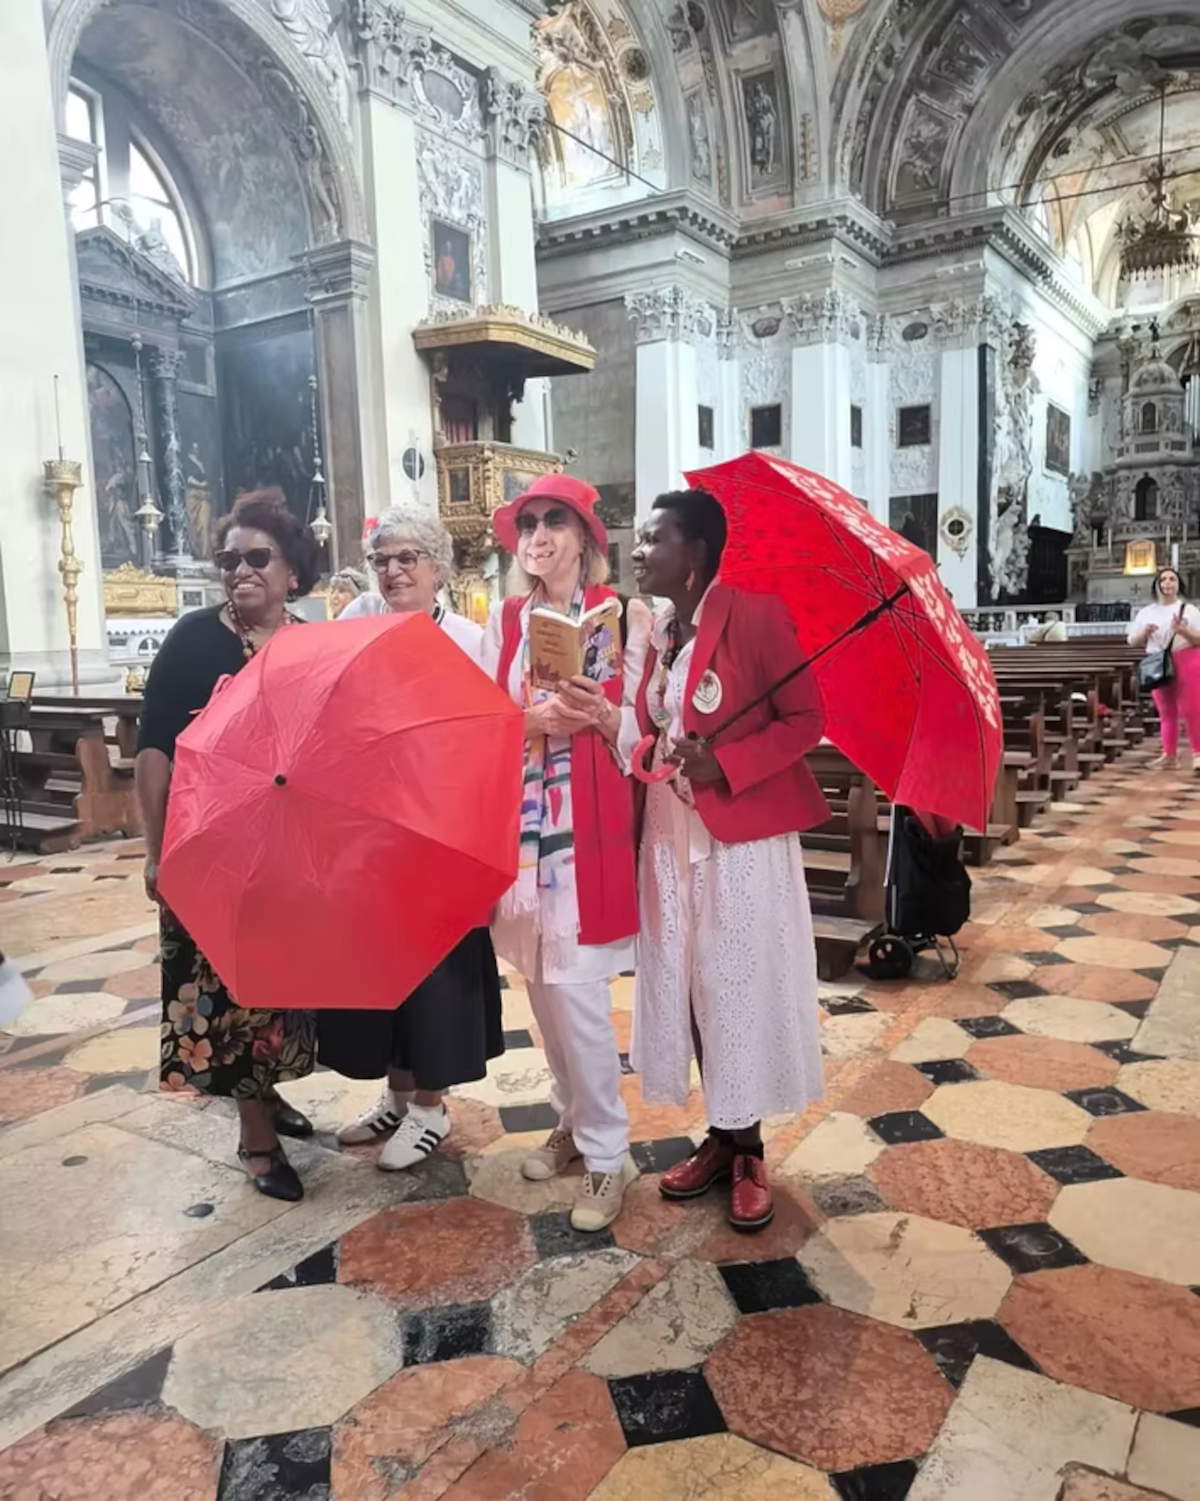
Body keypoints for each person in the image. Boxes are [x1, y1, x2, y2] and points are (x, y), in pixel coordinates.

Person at [623, 489, 826, 1232]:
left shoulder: (755, 613)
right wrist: (653, 749)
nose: (638, 550)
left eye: (654, 538)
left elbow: (808, 719)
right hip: (671, 835)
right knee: (693, 983)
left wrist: (727, 762)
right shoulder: (660, 628)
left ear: (697, 550)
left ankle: (749, 1151)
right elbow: (647, 726)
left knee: (734, 984)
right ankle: (720, 1132)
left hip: (738, 841)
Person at [136, 489, 322, 1202]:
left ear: (292, 574)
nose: (240, 570)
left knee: (280, 987)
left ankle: (268, 1094)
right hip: (208, 848)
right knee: (230, 993)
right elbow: (155, 749)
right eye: (229, 559)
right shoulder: (194, 638)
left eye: (257, 557)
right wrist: (155, 851)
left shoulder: (308, 643)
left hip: (285, 851)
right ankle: (256, 1134)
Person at [483, 474, 652, 1232]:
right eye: (529, 524)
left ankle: (609, 1154)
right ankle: (571, 1120)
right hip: (521, 830)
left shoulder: (627, 617)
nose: (539, 535)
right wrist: (534, 717)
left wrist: (601, 713)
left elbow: (644, 734)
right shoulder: (510, 617)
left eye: (555, 521)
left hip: (586, 823)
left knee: (580, 990)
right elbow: (486, 717)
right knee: (542, 991)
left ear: (586, 536)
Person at [324, 507, 504, 1169]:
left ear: (437, 568)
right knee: (381, 967)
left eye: (408, 558)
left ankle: (430, 1104)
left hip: (443, 830)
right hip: (371, 830)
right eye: (383, 559)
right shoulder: (355, 627)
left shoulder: (470, 639)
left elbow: (489, 743)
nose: (394, 570)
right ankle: (396, 1095)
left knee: (436, 971)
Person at [1128, 567, 1200, 769]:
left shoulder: (1189, 610)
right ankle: (1169, 755)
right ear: (1158, 585)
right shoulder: (1146, 612)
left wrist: (1183, 631)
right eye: (1164, 580)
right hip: (1158, 662)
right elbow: (1132, 641)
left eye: (1172, 579)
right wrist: (1144, 632)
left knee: (1192, 709)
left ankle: (1198, 755)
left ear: (1178, 584)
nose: (1168, 583)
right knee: (1166, 711)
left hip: (1187, 659)